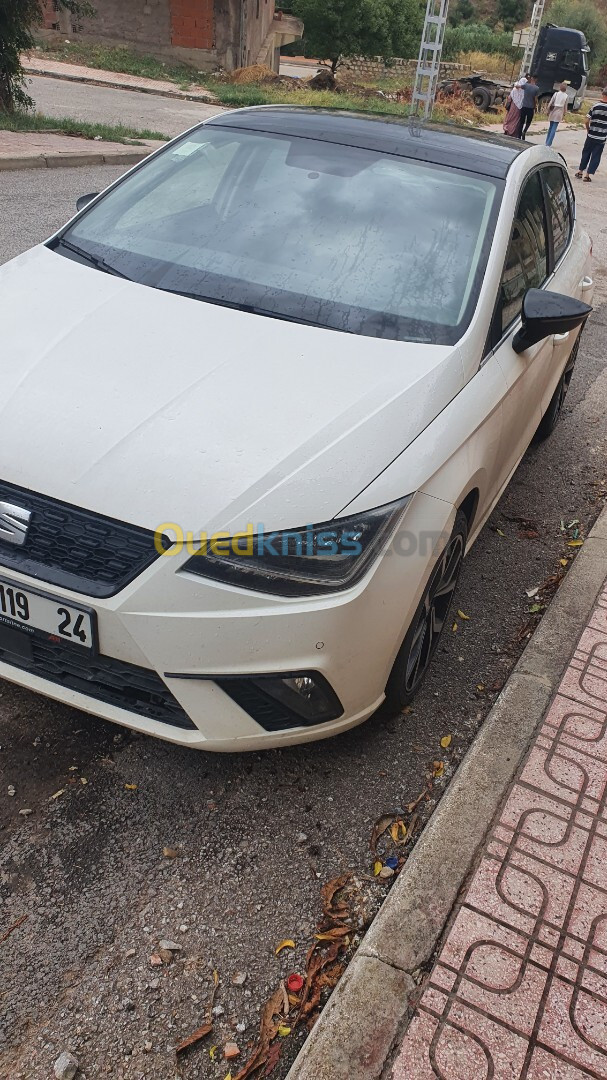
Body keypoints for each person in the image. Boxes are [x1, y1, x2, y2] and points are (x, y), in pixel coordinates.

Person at [575, 87, 607, 182]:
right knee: (596, 156)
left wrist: (589, 130)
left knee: (586, 153)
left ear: (603, 94)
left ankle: (580, 171)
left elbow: (586, 120)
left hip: (591, 135)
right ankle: (587, 175)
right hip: (601, 137)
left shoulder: (595, 106)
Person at [519, 75, 540, 139]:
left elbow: (518, 86)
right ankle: (524, 131)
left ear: (531, 78)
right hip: (530, 108)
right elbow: (535, 99)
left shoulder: (526, 85)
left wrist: (515, 85)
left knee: (521, 121)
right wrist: (535, 107)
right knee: (528, 121)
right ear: (536, 80)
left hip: (524, 106)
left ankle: (519, 133)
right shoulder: (537, 88)